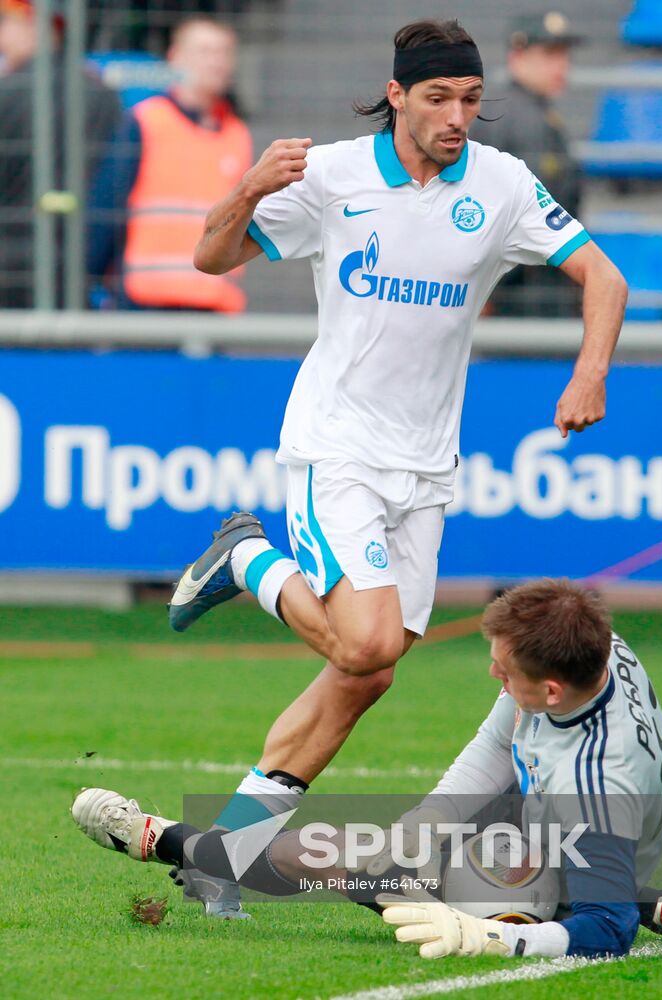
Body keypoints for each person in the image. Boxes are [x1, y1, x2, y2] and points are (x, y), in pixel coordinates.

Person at [137, 17, 626, 918]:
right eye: (438, 98)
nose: (456, 116)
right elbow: (209, 256)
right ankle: (247, 558)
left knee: (368, 672)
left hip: (424, 466)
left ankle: (223, 852)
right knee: (361, 644)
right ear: (397, 95)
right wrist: (248, 189)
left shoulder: (501, 183)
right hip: (337, 446)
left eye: (470, 99)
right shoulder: (331, 175)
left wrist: (588, 372)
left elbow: (605, 277)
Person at [71, 579, 662, 956]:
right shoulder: (588, 643)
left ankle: (159, 839)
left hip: (570, 841)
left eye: (506, 674)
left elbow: (607, 933)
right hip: (542, 812)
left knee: (339, 861)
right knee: (390, 854)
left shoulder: (594, 785)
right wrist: (425, 824)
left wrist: (493, 937)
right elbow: (495, 745)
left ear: (553, 690)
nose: (494, 678)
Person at [86, 16, 252, 311]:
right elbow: (107, 208)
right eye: (205, 51)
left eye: (224, 52)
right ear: (176, 57)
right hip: (145, 304)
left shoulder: (237, 135)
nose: (217, 62)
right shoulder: (146, 121)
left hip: (212, 304)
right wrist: (90, 281)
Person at [0, 0, 122, 308]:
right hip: (76, 260)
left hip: (9, 258)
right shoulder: (102, 95)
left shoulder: (7, 91)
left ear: (38, 26)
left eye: (6, 23)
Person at [469, 12, 584, 317]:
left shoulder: (530, 111)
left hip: (535, 283)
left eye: (564, 54)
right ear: (517, 56)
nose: (562, 65)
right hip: (521, 291)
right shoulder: (514, 117)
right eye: (549, 54)